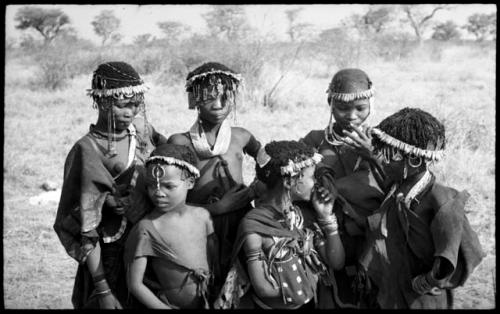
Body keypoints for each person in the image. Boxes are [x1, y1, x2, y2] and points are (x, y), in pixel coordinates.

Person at [53, 61, 168, 309]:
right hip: (110, 251)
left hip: (149, 241)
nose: (130, 112)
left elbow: (170, 157)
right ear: (103, 101)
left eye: (135, 105)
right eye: (122, 105)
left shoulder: (142, 130)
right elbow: (85, 225)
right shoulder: (87, 149)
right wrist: (103, 290)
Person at [358, 107, 485, 309]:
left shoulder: (441, 201)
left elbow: (448, 253)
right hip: (390, 290)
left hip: (421, 299)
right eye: (382, 153)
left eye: (392, 156)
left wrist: (428, 281)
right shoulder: (397, 184)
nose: (384, 161)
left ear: (415, 160)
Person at [214, 140, 345, 309]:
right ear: (290, 182)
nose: (315, 183)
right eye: (311, 177)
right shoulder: (254, 227)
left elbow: (336, 262)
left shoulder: (303, 216)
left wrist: (326, 216)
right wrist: (299, 287)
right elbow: (264, 289)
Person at [167, 62, 262, 292]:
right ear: (195, 100)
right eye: (210, 97)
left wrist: (252, 190)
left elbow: (268, 168)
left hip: (241, 223)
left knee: (243, 285)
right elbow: (171, 202)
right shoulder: (180, 143)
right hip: (201, 225)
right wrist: (219, 208)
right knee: (206, 286)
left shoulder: (242, 136)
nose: (219, 104)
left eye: (226, 97)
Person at [299, 68, 385, 308]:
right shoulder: (316, 140)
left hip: (372, 237)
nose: (351, 116)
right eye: (343, 108)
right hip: (328, 235)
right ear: (330, 103)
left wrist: (373, 156)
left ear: (371, 103)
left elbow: (397, 184)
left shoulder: (382, 141)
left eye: (360, 108)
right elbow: (298, 179)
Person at [124, 144, 217, 309]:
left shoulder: (203, 217)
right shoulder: (147, 228)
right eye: (152, 185)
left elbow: (214, 261)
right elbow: (135, 285)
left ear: (190, 183)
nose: (158, 192)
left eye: (169, 186)